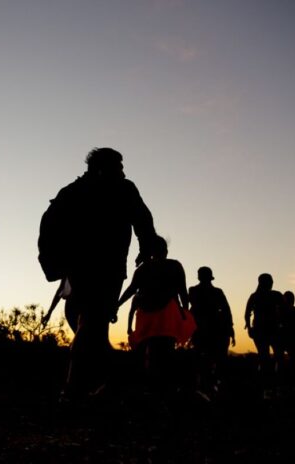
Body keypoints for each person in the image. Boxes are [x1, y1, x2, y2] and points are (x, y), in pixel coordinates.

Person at [42, 147, 157, 400]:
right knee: (88, 322)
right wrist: (53, 264)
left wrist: (147, 246)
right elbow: (49, 226)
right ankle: (88, 385)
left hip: (104, 268)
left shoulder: (108, 190)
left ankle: (89, 385)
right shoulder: (79, 192)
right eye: (119, 167)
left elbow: (143, 219)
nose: (123, 172)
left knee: (93, 323)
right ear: (103, 169)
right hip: (94, 268)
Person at [120, 235, 196, 396]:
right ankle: (163, 388)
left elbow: (131, 289)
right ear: (165, 251)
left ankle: (151, 387)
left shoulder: (143, 269)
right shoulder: (175, 266)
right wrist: (185, 311)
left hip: (146, 316)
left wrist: (116, 305)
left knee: (148, 352)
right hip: (167, 315)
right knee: (165, 351)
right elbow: (183, 291)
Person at [188, 266, 235, 398]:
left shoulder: (194, 290)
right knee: (212, 359)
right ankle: (209, 386)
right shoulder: (215, 292)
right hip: (213, 329)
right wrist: (229, 327)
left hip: (207, 329)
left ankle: (208, 386)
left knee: (205, 359)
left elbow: (226, 310)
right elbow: (226, 310)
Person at [244, 273, 285, 399]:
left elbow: (247, 314)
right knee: (276, 357)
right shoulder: (275, 295)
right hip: (271, 330)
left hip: (262, 330)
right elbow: (284, 312)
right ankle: (272, 386)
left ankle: (268, 386)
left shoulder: (255, 296)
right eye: (271, 281)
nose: (272, 283)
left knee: (265, 358)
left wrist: (249, 328)